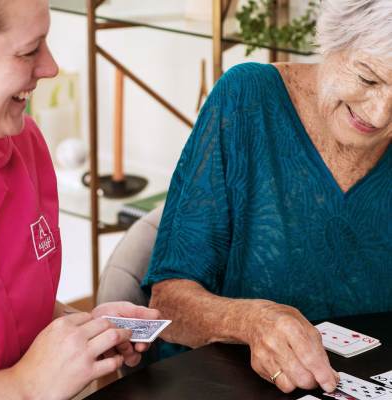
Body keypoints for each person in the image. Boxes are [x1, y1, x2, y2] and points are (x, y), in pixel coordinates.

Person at [142, 0, 392, 394]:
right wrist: (249, 320)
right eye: (367, 78)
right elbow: (167, 304)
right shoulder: (246, 101)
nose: (379, 115)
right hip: (223, 384)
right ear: (333, 40)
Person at [0, 0, 159, 398]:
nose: (50, 67)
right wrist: (23, 386)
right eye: (29, 51)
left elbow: (12, 314)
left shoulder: (25, 144)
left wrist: (82, 332)